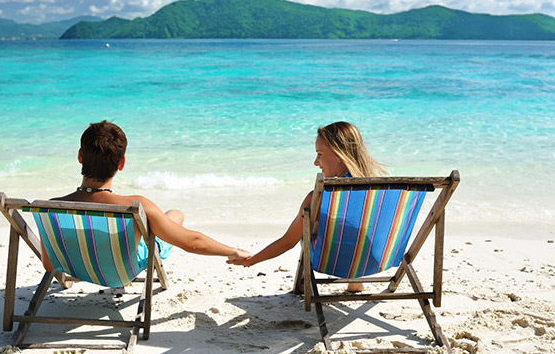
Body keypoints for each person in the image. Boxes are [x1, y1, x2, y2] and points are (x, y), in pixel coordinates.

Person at [41, 120, 251, 272]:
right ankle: (166, 223)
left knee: (170, 216)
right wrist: (232, 251)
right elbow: (192, 242)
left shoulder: (50, 207)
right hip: (120, 271)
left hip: (73, 266)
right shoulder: (135, 205)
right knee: (174, 215)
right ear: (121, 163)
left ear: (80, 157)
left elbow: (49, 265)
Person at [227, 121, 385, 292]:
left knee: (309, 229)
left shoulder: (320, 197)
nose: (316, 163)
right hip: (374, 260)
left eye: (319, 154)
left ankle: (303, 283)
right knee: (349, 226)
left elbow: (287, 242)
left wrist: (252, 260)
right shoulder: (382, 192)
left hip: (333, 262)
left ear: (339, 155)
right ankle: (355, 281)